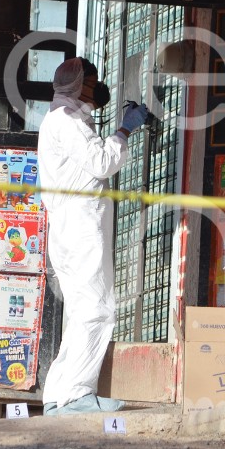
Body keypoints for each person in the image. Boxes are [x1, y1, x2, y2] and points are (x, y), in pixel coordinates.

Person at [37, 57, 149, 416]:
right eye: (93, 81)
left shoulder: (64, 119)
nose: (98, 87)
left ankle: (57, 395)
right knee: (98, 310)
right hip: (80, 228)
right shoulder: (65, 122)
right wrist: (124, 130)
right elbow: (102, 163)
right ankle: (77, 395)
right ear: (78, 85)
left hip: (69, 229)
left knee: (81, 312)